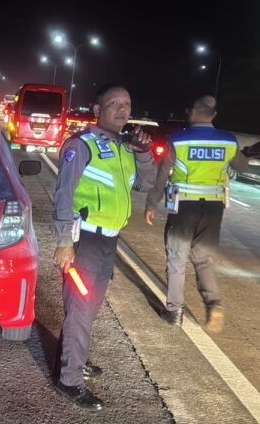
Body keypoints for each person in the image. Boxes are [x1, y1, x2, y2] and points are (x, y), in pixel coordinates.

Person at [52, 84, 156, 411]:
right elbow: (64, 193)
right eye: (114, 103)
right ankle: (69, 380)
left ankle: (74, 358)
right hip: (85, 241)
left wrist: (146, 154)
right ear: (98, 109)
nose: (122, 109)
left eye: (127, 104)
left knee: (89, 310)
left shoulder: (125, 148)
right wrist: (64, 242)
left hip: (110, 242)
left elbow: (147, 184)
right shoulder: (82, 145)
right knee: (81, 312)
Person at [144, 95, 248, 333]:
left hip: (183, 207)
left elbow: (162, 175)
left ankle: (174, 311)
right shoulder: (228, 141)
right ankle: (213, 303)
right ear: (214, 115)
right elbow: (242, 167)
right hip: (213, 209)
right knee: (203, 258)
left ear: (191, 112)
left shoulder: (178, 140)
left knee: (177, 257)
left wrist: (151, 204)